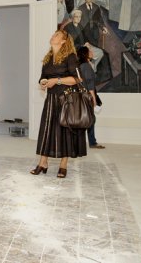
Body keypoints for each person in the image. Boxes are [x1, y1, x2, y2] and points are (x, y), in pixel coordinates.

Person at [30, 29, 87, 179]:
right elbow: (43, 77)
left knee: (65, 131)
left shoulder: (70, 57)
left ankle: (63, 165)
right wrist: (43, 82)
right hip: (51, 99)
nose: (53, 36)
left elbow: (78, 79)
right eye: (53, 34)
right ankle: (43, 163)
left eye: (57, 35)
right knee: (47, 129)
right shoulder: (48, 58)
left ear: (63, 41)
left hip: (67, 99)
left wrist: (57, 80)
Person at [77, 46, 105, 149]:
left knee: (84, 119)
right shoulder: (86, 66)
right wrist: (93, 99)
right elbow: (90, 85)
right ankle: (92, 142)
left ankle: (88, 142)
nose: (92, 52)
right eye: (89, 51)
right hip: (87, 96)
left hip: (81, 96)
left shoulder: (82, 65)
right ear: (85, 54)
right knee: (90, 119)